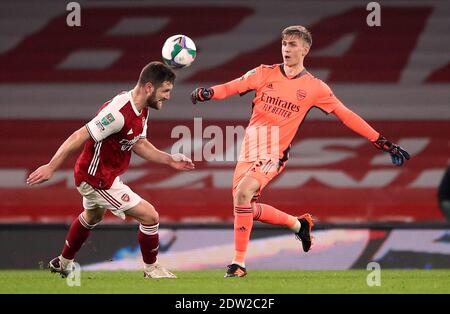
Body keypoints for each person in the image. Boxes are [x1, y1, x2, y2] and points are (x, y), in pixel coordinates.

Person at [191, 25, 410, 277]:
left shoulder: (315, 88)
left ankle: (238, 264)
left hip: (274, 152)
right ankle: (299, 224)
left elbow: (346, 115)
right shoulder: (264, 73)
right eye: (284, 44)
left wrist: (381, 141)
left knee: (243, 194)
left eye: (293, 44)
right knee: (245, 207)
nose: (286, 49)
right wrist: (209, 92)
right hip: (249, 148)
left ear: (305, 49)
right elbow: (231, 87)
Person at [27, 61, 195, 279]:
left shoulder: (141, 109)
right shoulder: (118, 113)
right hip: (96, 179)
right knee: (150, 216)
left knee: (93, 216)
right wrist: (51, 166)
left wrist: (169, 160)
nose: (168, 97)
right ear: (149, 87)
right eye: (166, 91)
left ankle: (63, 262)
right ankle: (152, 269)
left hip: (103, 176)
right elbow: (79, 135)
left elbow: (139, 143)